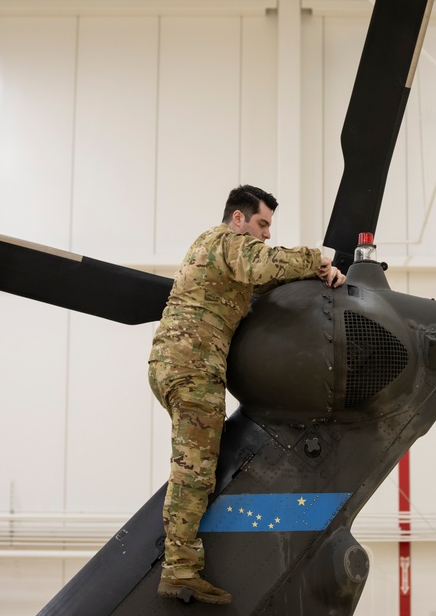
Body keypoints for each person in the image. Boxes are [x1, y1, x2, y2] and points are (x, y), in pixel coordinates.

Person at [148, 184, 346, 604]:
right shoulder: (226, 241)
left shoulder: (222, 254)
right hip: (192, 364)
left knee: (197, 463)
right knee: (195, 469)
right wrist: (320, 258)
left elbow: (265, 279)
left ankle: (180, 564)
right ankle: (179, 570)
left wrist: (319, 276)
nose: (267, 233)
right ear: (238, 219)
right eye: (262, 223)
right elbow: (264, 266)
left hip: (182, 363)